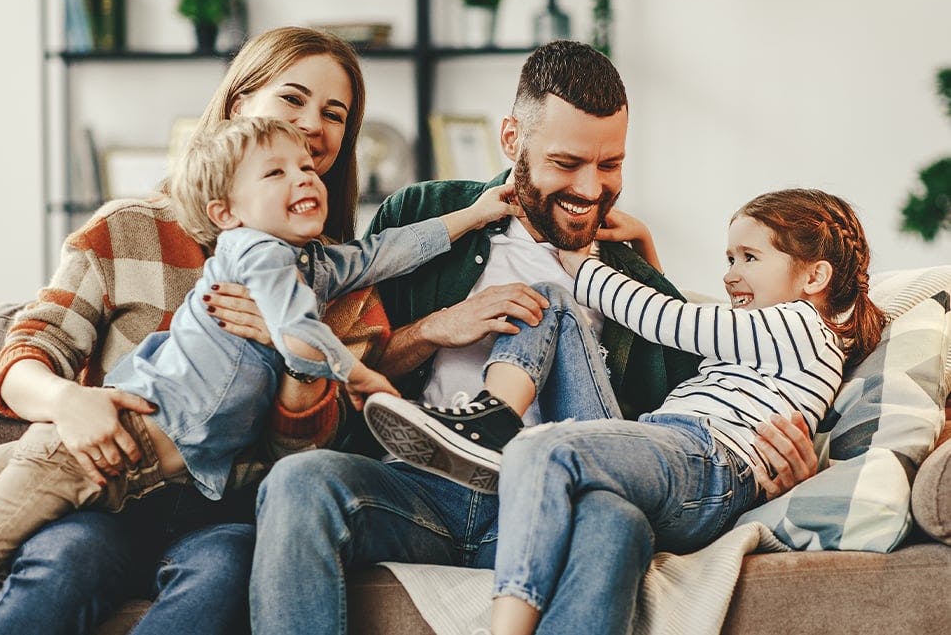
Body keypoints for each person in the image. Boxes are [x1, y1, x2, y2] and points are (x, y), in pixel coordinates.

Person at [248, 40, 820, 634]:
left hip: (553, 505)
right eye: (567, 164)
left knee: (618, 521)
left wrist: (769, 471)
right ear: (511, 138)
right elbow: (348, 372)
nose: (591, 190)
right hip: (419, 489)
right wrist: (435, 329)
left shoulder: (632, 280)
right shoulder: (425, 213)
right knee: (299, 482)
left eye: (610, 165)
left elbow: (683, 428)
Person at [0, 116, 518, 569]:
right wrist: (360, 376)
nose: (304, 177)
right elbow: (296, 330)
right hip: (97, 448)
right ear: (227, 213)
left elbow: (384, 251)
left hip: (137, 474)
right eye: (277, 172)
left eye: (307, 168)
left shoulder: (311, 262)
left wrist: (475, 213)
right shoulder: (255, 251)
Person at [0, 27, 382, 635]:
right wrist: (69, 401)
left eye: (334, 115)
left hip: (221, 513)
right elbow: (25, 356)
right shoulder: (127, 229)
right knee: (67, 560)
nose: (314, 124)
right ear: (237, 107)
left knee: (225, 570)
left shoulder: (331, 278)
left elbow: (300, 466)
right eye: (293, 99)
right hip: (106, 487)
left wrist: (292, 355)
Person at [375, 188, 885, 634]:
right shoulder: (768, 338)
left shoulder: (800, 325)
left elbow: (670, 322)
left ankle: (505, 627)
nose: (730, 276)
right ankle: (492, 417)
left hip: (705, 459)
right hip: (667, 451)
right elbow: (688, 342)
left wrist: (581, 261)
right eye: (729, 259)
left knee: (543, 449)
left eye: (749, 257)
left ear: (816, 275)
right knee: (547, 300)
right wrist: (644, 247)